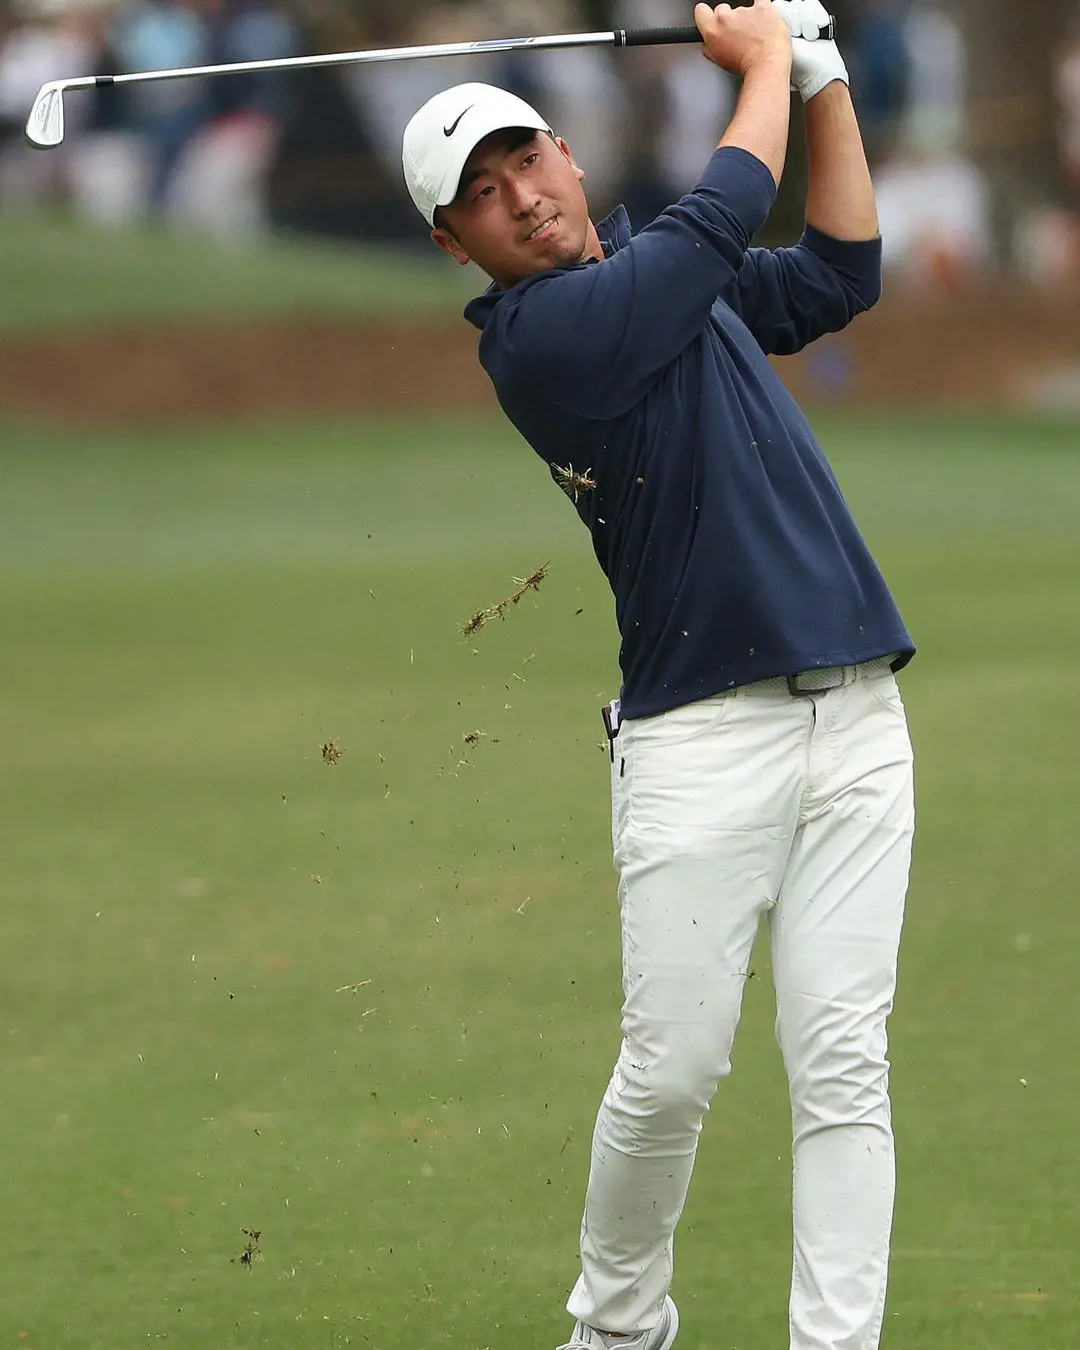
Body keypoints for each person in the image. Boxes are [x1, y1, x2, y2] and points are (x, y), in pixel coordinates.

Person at [401, 3, 916, 1347]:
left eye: (526, 161)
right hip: (700, 737)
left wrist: (821, 76)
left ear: (569, 155)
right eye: (481, 195)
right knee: (674, 1068)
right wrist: (755, 66)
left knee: (845, 1066)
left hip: (858, 712)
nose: (519, 194)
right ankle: (619, 1325)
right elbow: (722, 209)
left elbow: (842, 272)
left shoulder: (655, 279)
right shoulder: (545, 343)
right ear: (453, 242)